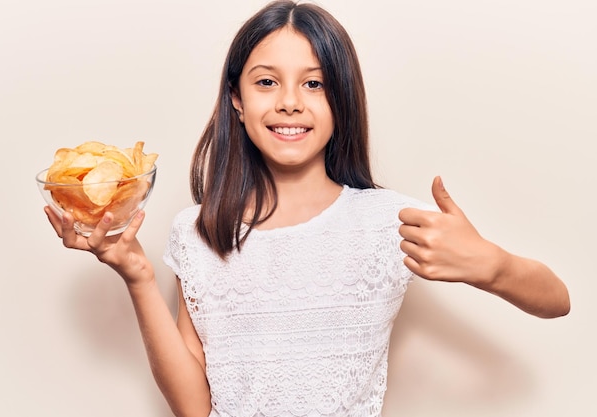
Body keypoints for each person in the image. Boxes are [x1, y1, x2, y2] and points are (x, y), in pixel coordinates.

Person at [43, 1, 570, 416]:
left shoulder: (386, 222)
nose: (290, 101)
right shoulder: (199, 231)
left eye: (314, 83)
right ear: (237, 100)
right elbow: (194, 407)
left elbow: (556, 300)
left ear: (341, 99)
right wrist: (136, 275)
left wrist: (493, 267)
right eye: (266, 81)